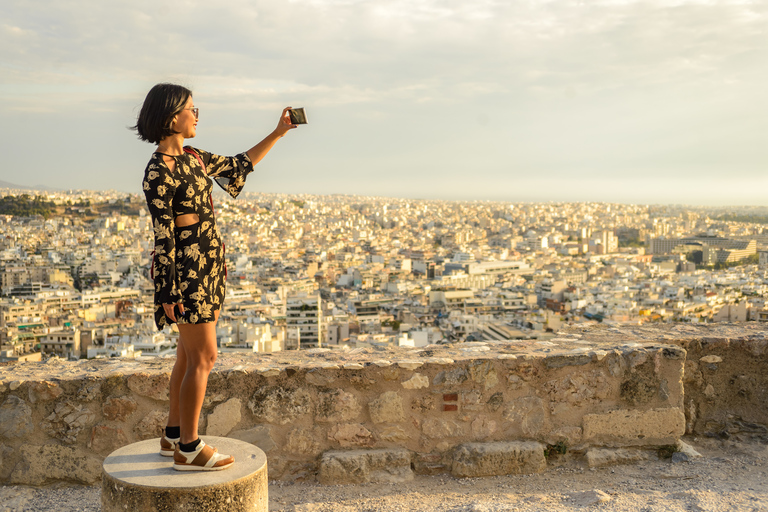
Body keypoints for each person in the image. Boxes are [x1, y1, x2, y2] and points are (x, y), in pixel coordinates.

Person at [133, 83, 296, 471]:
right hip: (186, 273)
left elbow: (239, 166)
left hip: (208, 265)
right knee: (204, 356)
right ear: (173, 117)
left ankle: (172, 435)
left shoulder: (194, 157)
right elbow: (164, 236)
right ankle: (188, 448)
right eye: (192, 108)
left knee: (187, 356)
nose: (197, 114)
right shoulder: (157, 171)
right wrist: (168, 292)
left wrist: (278, 132)